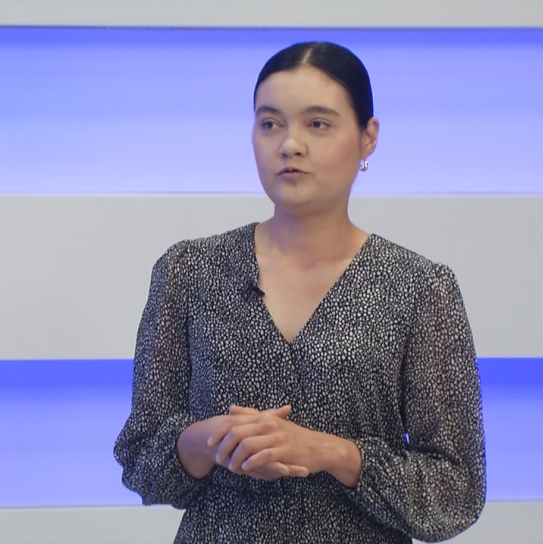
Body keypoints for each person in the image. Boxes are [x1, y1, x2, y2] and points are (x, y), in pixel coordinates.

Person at [114, 41, 486, 544]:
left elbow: (456, 493)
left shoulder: (419, 288)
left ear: (368, 137)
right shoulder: (190, 271)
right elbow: (139, 459)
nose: (290, 144)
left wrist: (334, 454)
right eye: (270, 124)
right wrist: (208, 440)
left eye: (318, 123)